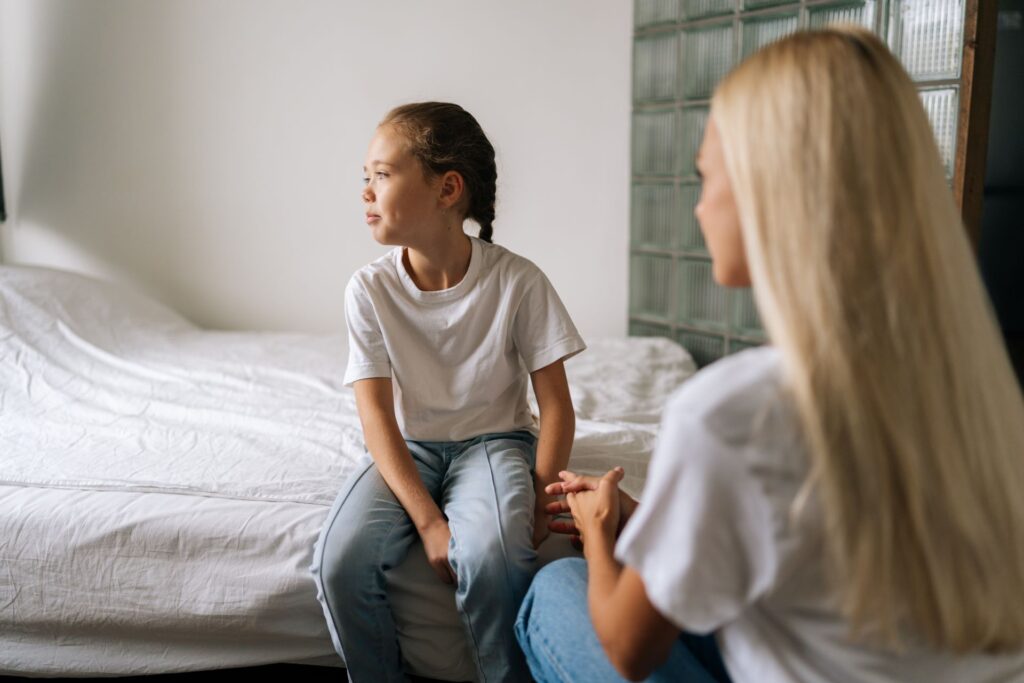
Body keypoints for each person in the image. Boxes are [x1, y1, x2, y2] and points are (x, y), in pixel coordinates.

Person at [515, 25, 1024, 683]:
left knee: (557, 591)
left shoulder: (737, 410)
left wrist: (597, 526)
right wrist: (658, 523)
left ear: (769, 188)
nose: (698, 208)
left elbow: (626, 646)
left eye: (706, 176)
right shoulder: (981, 388)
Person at [308, 102, 585, 683]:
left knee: (494, 557)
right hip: (409, 447)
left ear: (448, 188)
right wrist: (431, 523)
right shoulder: (368, 289)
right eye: (366, 177)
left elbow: (555, 405)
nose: (366, 191)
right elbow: (377, 417)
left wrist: (538, 496)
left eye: (381, 175)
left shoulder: (518, 280)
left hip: (494, 443)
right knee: (339, 561)